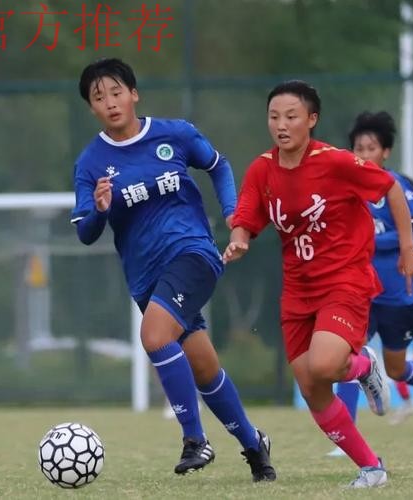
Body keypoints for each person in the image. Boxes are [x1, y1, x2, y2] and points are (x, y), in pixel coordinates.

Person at [71, 58, 275, 481]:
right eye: (99, 97)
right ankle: (254, 445)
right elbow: (86, 233)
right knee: (203, 367)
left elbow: (218, 165)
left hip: (193, 254)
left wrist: (234, 215)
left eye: (116, 92)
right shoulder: (91, 163)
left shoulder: (175, 134)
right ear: (91, 107)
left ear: (134, 94)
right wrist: (101, 210)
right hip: (146, 278)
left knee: (153, 336)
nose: (110, 103)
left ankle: (195, 439)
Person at [223, 81, 413, 489]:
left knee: (324, 365)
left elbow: (390, 188)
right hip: (298, 290)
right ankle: (372, 468)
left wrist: (407, 249)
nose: (281, 125)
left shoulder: (336, 162)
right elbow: (246, 216)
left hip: (344, 280)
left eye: (291, 116)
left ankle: (363, 365)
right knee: (312, 388)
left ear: (312, 120)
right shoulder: (262, 169)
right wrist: (239, 239)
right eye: (274, 117)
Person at [328, 113, 413, 454]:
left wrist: (371, 241)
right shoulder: (346, 188)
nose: (365, 154)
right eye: (359, 148)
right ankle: (346, 440)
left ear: (385, 152)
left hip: (399, 296)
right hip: (360, 293)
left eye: (371, 148)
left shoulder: (397, 187)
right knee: (346, 356)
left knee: (395, 368)